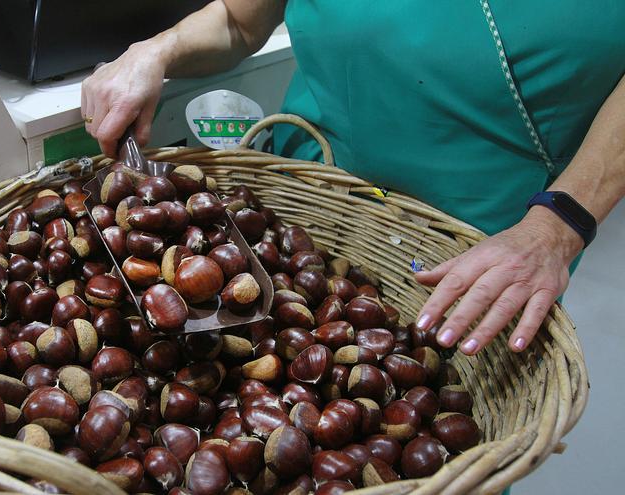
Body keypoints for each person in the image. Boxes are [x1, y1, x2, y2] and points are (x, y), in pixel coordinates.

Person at [80, 0, 625, 358]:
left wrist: (560, 225)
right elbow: (237, 19)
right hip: (306, 196)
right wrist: (158, 50)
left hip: (487, 233)